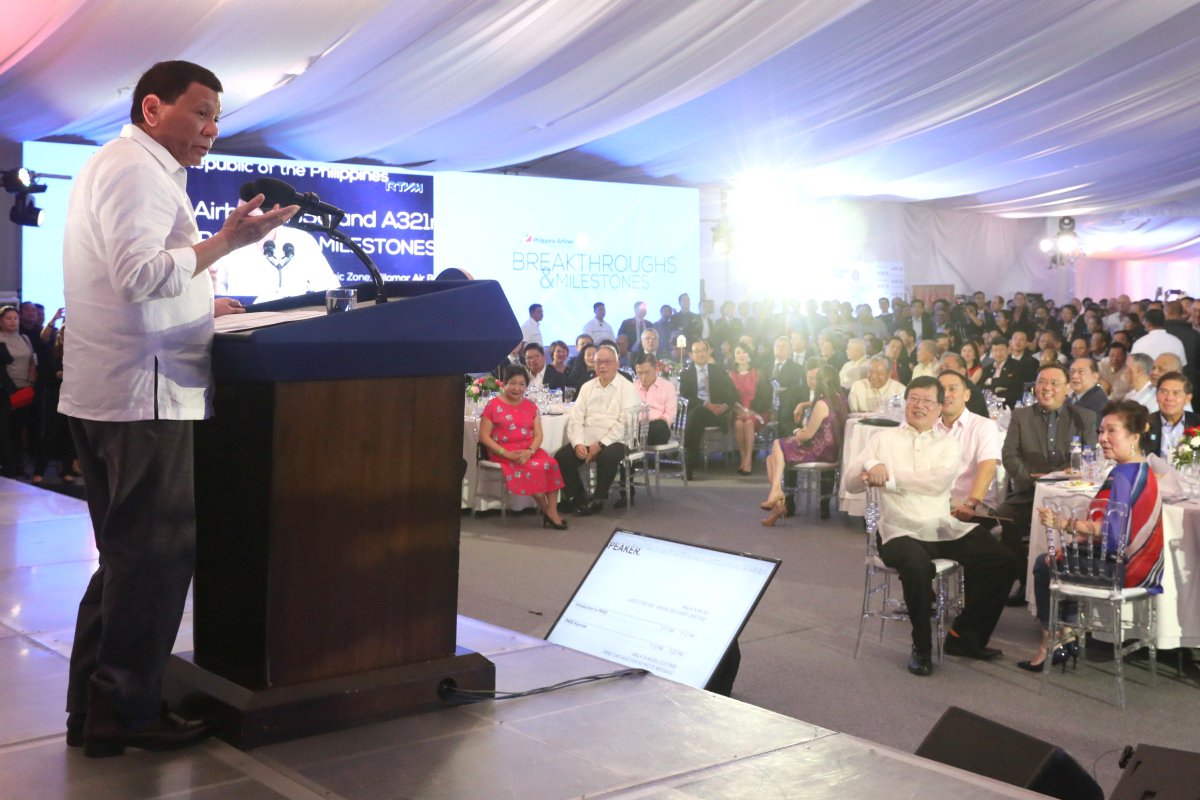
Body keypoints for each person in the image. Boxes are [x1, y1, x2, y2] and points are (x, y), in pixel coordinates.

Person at [59, 61, 298, 757]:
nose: (212, 130)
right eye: (200, 114)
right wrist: (227, 243)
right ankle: (127, 713)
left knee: (128, 561)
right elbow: (138, 276)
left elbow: (138, 275)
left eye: (217, 117)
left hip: (120, 388)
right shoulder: (135, 169)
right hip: (143, 394)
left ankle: (97, 711)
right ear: (153, 107)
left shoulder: (130, 166)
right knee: (154, 560)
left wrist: (204, 292)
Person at [847, 377, 1013, 675]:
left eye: (927, 401)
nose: (919, 406)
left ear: (939, 408)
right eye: (913, 399)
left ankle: (964, 635)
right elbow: (850, 481)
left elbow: (935, 483)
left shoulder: (949, 445)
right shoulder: (883, 440)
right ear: (905, 402)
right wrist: (871, 464)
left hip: (940, 526)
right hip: (897, 530)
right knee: (916, 565)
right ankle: (921, 648)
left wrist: (889, 476)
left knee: (1002, 560)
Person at [1019, 400, 1164, 671]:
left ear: (1134, 436)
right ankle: (1067, 634)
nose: (1102, 439)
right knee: (1064, 559)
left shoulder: (1125, 475)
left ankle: (1052, 640)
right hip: (1141, 565)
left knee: (1045, 563)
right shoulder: (1139, 469)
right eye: (1101, 431)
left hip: (1128, 569)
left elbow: (1113, 533)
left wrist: (1063, 523)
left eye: (1112, 431)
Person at [996, 363, 1098, 605]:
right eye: (1042, 382)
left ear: (1066, 389)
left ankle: (1072, 588)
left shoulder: (1084, 417)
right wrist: (1030, 481)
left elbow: (1090, 455)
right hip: (1029, 492)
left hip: (1068, 496)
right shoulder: (1021, 416)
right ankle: (1024, 579)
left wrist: (1063, 476)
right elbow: (1009, 455)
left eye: (1054, 383)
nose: (1047, 388)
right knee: (1002, 518)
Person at [478, 364, 568, 529]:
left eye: (521, 384)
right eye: (512, 383)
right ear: (504, 383)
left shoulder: (530, 406)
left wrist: (530, 450)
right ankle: (548, 512)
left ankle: (552, 511)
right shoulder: (492, 406)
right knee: (532, 467)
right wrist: (506, 453)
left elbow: (538, 435)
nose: (517, 388)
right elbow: (484, 436)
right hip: (503, 452)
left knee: (551, 464)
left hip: (530, 450)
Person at [554, 345, 639, 515]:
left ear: (617, 364)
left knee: (608, 456)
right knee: (562, 457)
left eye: (607, 362)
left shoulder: (628, 388)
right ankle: (579, 497)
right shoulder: (587, 387)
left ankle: (598, 498)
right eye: (598, 362)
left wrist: (599, 445)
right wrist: (578, 443)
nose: (602, 366)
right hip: (587, 438)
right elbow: (576, 418)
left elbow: (625, 423)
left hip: (618, 439)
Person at [759, 365, 847, 525]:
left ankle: (776, 493)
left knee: (778, 443)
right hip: (832, 450)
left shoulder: (822, 404)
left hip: (820, 451)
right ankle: (778, 506)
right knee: (771, 459)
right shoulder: (840, 399)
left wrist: (798, 432)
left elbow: (808, 434)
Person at [210, 218, 340, 303]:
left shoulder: (301, 240)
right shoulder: (225, 241)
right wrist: (212, 285)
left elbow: (331, 288)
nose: (241, 217)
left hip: (296, 325)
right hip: (241, 324)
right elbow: (217, 296)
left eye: (249, 213)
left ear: (272, 212)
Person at [679, 339, 738, 480]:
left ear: (708, 352)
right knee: (697, 413)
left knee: (695, 417)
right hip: (699, 411)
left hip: (717, 413)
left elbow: (733, 392)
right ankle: (689, 461)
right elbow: (686, 396)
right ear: (691, 355)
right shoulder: (686, 374)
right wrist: (706, 404)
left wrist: (724, 406)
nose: (700, 354)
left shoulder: (718, 371)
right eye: (696, 351)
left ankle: (688, 460)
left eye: (703, 350)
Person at [0, 305, 37, 477]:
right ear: (1, 321)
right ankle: (8, 465)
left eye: (15, 318)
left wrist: (31, 381)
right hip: (5, 390)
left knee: (20, 428)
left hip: (24, 388)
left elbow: (32, 361)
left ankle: (18, 463)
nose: (13, 321)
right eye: (9, 318)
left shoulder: (25, 338)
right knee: (5, 429)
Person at [728, 342, 771, 475]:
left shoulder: (758, 373)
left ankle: (748, 461)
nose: (741, 355)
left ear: (750, 355)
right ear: (734, 357)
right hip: (738, 411)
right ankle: (743, 458)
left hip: (758, 410)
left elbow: (766, 396)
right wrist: (739, 410)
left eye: (744, 352)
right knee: (739, 423)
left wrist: (753, 411)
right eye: (738, 352)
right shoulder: (730, 375)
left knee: (749, 422)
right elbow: (729, 397)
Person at [1141, 372, 1198, 458]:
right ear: (1156, 396)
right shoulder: (1143, 424)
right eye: (1163, 392)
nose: (1169, 398)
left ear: (1187, 399)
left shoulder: (1197, 423)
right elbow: (1132, 452)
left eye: (1176, 393)